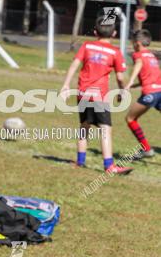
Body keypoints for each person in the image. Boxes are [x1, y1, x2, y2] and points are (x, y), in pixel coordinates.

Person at [61, 16, 132, 174]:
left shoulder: (86, 46)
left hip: (83, 93)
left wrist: (66, 85)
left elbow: (74, 65)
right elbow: (120, 77)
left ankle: (80, 162)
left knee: (84, 126)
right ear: (114, 33)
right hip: (99, 96)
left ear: (95, 32)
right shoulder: (115, 52)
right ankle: (109, 166)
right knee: (105, 129)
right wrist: (123, 91)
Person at [124, 29, 161, 159]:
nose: (132, 44)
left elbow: (139, 64)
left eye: (133, 42)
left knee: (130, 118)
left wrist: (129, 83)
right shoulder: (152, 56)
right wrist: (135, 85)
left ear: (137, 43)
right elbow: (150, 76)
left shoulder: (138, 55)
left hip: (150, 94)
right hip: (159, 92)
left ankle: (146, 149)